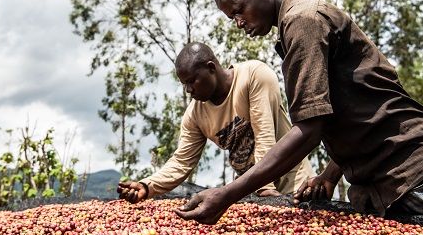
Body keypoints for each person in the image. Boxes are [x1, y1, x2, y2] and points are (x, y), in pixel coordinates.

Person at [176, 0, 423, 227]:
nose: (239, 22)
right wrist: (329, 175)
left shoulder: (303, 22)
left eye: (239, 10)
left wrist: (228, 195)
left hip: (418, 172)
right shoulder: (293, 29)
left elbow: (309, 130)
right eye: (232, 18)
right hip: (386, 184)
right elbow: (345, 108)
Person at [117, 42, 314, 203]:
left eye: (192, 81)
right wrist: (147, 186)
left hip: (294, 186)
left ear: (211, 68)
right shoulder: (195, 115)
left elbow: (264, 134)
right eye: (184, 84)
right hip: (254, 192)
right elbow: (181, 162)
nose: (188, 90)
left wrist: (265, 189)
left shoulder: (253, 76)